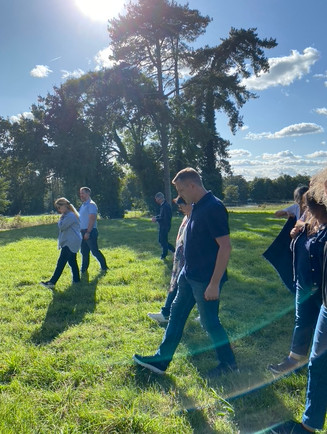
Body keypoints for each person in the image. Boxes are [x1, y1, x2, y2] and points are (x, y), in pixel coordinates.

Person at [133, 167, 237, 376]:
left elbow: (225, 247)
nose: (180, 195)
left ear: (192, 185)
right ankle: (161, 361)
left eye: (181, 190)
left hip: (205, 280)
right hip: (188, 276)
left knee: (210, 323)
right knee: (176, 316)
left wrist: (214, 283)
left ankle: (228, 364)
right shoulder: (196, 205)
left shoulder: (213, 207)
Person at [271, 177, 327, 434]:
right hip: (315, 293)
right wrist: (299, 231)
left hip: (321, 296)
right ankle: (308, 425)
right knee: (318, 363)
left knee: (319, 364)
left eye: (312, 206)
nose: (308, 211)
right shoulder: (314, 222)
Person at [268, 191, 327, 375]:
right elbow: (300, 226)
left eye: (309, 207)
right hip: (303, 279)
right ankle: (293, 360)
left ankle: (317, 365)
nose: (306, 210)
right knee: (302, 320)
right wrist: (295, 233)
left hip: (321, 283)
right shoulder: (308, 216)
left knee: (320, 324)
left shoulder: (323, 221)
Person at [148, 197, 192, 324]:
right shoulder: (187, 217)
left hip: (190, 263)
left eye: (181, 206)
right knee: (178, 287)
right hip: (182, 260)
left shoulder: (197, 218)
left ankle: (166, 313)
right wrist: (177, 253)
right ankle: (166, 313)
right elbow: (182, 238)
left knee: (188, 288)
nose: (180, 209)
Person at [40, 197, 82, 289]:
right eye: (57, 208)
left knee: (61, 262)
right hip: (71, 241)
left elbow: (62, 227)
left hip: (70, 242)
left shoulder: (70, 216)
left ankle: (52, 282)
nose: (59, 210)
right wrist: (61, 218)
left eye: (60, 207)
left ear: (65, 205)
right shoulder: (68, 215)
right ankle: (77, 280)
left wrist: (60, 220)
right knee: (72, 261)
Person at [79, 187, 108, 273]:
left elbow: (92, 219)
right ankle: (83, 269)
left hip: (90, 231)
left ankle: (104, 267)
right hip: (83, 231)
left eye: (82, 193)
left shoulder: (91, 205)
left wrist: (88, 232)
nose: (81, 195)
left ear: (88, 194)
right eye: (80, 193)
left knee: (94, 251)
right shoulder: (83, 205)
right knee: (84, 251)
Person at [151, 192, 175, 259]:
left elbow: (165, 218)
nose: (156, 201)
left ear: (160, 198)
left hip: (165, 226)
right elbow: (161, 215)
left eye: (157, 199)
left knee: (163, 241)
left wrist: (156, 219)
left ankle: (164, 255)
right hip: (163, 226)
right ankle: (173, 251)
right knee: (162, 241)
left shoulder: (165, 206)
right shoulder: (163, 205)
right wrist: (156, 217)